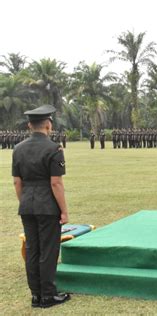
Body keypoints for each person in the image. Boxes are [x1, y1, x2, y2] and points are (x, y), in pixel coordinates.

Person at [12, 105, 71, 308]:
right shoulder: (54, 148)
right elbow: (56, 183)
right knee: (48, 250)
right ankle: (48, 295)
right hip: (47, 206)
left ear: (29, 125)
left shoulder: (18, 149)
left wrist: (26, 201)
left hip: (27, 204)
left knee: (32, 249)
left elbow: (17, 183)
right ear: (48, 124)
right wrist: (63, 210)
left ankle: (36, 295)